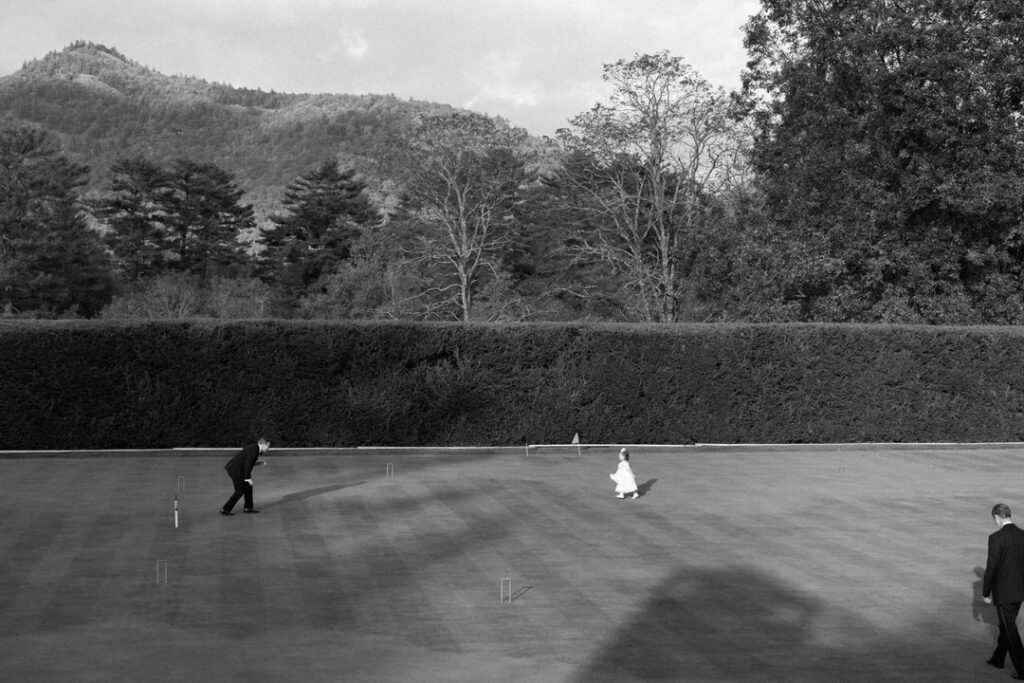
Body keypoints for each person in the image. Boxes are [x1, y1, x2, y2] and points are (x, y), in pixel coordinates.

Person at [983, 502, 1024, 678]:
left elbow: (992, 567)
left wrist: (986, 592)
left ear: (997, 517)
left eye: (995, 519)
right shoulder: (1022, 535)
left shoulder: (996, 538)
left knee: (1009, 629)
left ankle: (1022, 669)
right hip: (1020, 591)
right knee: (1006, 626)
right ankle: (998, 658)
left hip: (1005, 592)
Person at [220, 438, 269, 515]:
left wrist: (257, 463)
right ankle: (225, 509)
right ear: (263, 444)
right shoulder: (254, 450)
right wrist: (247, 478)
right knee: (240, 490)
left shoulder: (255, 448)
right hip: (235, 470)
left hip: (236, 468)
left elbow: (247, 461)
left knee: (248, 486)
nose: (268, 448)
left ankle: (248, 508)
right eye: (268, 446)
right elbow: (248, 465)